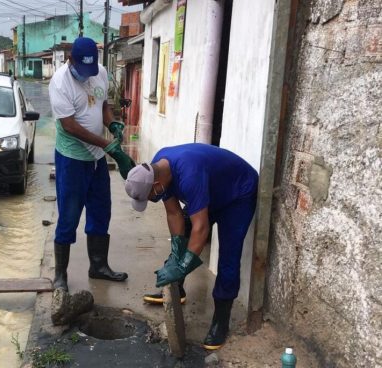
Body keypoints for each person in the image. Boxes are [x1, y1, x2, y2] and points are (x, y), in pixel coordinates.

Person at [124, 143, 258, 350]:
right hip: (210, 191)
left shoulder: (189, 176)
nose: (151, 201)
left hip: (237, 193)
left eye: (150, 197)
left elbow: (201, 228)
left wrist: (183, 265)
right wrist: (177, 251)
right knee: (184, 233)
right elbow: (174, 213)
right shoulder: (159, 166)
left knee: (228, 257)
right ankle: (177, 290)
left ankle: (221, 321)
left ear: (157, 184)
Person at [48, 37, 135, 292]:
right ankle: (60, 275)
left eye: (91, 70)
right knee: (69, 215)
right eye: (82, 69)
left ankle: (98, 266)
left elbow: (103, 104)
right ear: (70, 60)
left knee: (100, 210)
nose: (87, 76)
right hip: (72, 159)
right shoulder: (60, 82)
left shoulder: (100, 73)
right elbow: (69, 125)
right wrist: (106, 144)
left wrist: (112, 123)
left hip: (96, 159)